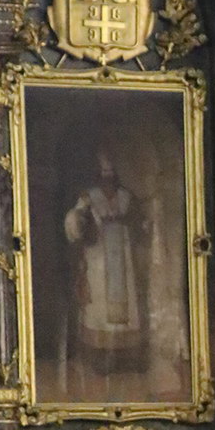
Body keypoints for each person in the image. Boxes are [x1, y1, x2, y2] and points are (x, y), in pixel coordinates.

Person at [65, 148, 149, 368]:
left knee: (127, 306)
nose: (107, 179)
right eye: (104, 175)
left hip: (124, 257)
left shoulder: (126, 197)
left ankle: (126, 356)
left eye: (110, 175)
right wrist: (80, 223)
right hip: (98, 257)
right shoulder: (89, 197)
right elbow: (74, 220)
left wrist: (137, 227)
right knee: (99, 306)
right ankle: (99, 355)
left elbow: (140, 222)